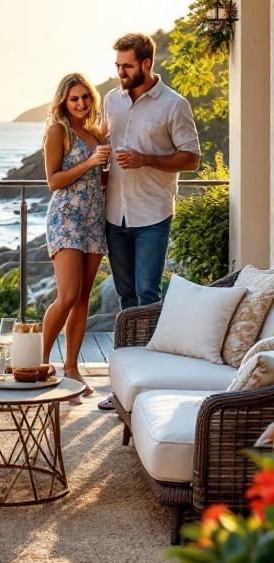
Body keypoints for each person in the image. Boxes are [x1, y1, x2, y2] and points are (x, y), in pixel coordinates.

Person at [98, 33, 200, 409]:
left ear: (145, 64)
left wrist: (147, 159)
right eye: (117, 66)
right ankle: (122, 386)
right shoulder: (111, 100)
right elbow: (99, 141)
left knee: (148, 295)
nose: (119, 72)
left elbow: (191, 158)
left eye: (126, 66)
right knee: (126, 299)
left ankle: (152, 384)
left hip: (153, 214)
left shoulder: (174, 105)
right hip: (114, 214)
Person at [42, 73, 110, 402]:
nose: (81, 103)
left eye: (85, 97)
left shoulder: (95, 133)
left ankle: (70, 369)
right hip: (66, 219)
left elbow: (102, 181)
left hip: (94, 221)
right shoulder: (59, 131)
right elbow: (53, 181)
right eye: (74, 99)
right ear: (64, 102)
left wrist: (106, 166)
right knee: (67, 295)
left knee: (83, 298)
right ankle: (38, 365)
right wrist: (90, 162)